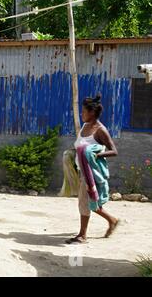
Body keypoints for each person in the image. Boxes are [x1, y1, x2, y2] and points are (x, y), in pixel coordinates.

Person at [66, 93, 119, 244]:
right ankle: (112, 220)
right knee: (90, 202)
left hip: (91, 173)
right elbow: (81, 147)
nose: (82, 114)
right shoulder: (84, 126)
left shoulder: (100, 130)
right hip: (82, 171)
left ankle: (83, 235)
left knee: (86, 202)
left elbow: (114, 151)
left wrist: (96, 155)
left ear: (92, 113)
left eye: (84, 111)